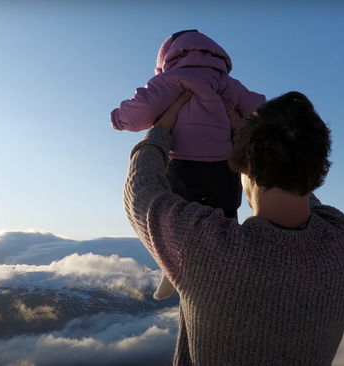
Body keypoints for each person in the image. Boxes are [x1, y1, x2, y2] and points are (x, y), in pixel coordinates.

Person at [123, 90, 344, 365]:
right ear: (318, 165)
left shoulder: (205, 247)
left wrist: (159, 132)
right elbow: (301, 186)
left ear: (246, 162)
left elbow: (141, 191)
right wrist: (257, 141)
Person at [111, 29, 265, 300]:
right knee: (227, 215)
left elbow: (140, 111)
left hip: (182, 165)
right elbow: (258, 109)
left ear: (166, 59)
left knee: (175, 220)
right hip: (225, 166)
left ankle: (170, 270)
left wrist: (117, 118)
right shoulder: (227, 83)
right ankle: (232, 269)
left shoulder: (170, 81)